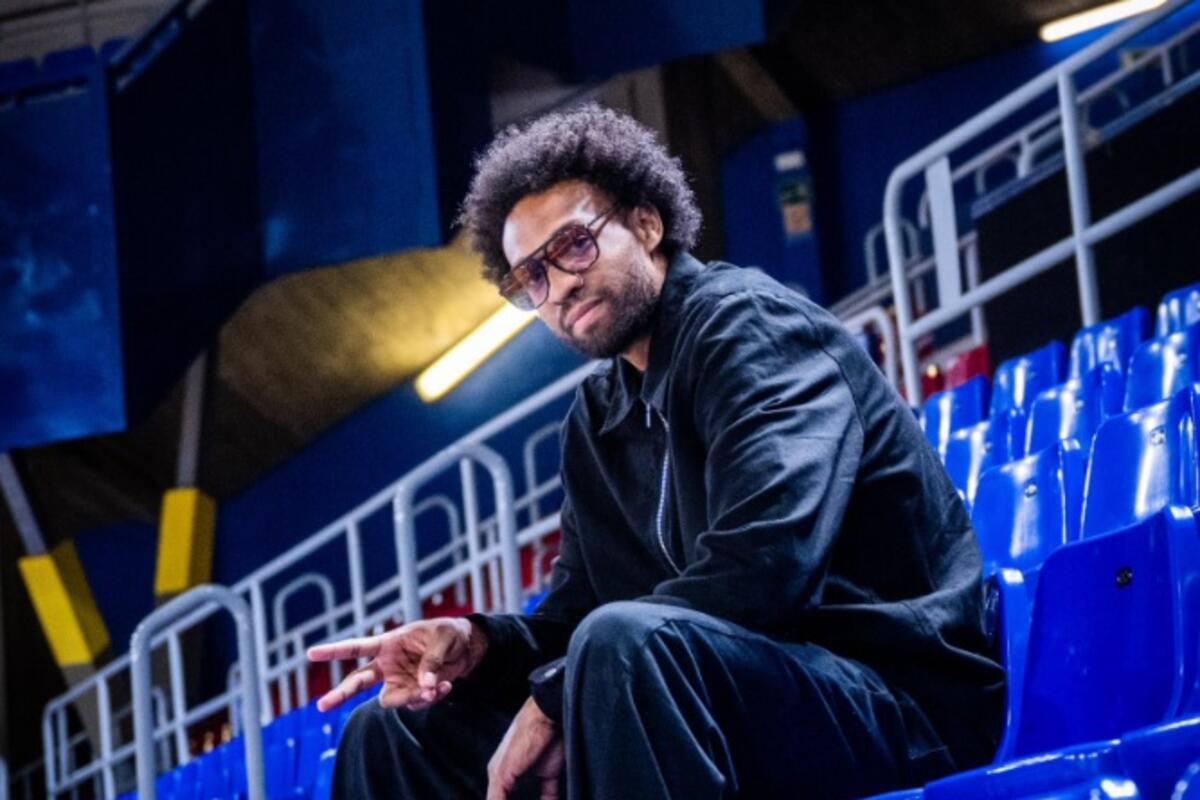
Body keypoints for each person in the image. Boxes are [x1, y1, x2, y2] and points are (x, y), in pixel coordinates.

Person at [307, 103, 1005, 800]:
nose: (559, 287)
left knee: (623, 645)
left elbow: (767, 566)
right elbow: (575, 614)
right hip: (715, 698)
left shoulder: (753, 328)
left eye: (573, 245)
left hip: (894, 701)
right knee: (393, 735)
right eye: (532, 279)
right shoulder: (596, 418)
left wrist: (557, 695)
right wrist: (479, 646)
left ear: (647, 224)